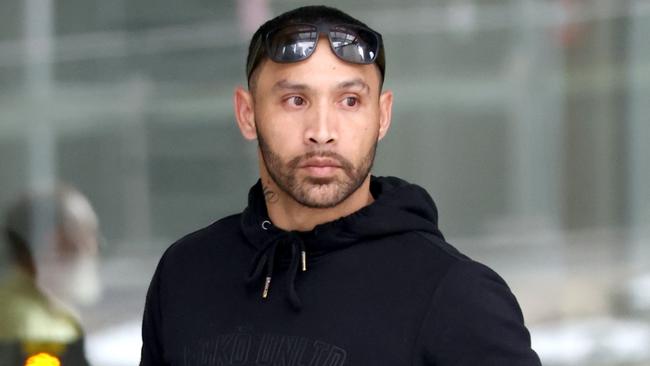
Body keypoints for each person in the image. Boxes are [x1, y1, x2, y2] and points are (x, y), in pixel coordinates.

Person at [140, 5, 542, 365]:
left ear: (382, 116)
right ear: (247, 114)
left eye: (349, 101)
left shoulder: (453, 295)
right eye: (295, 100)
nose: (322, 132)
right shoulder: (185, 274)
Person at [0, 185, 100, 366]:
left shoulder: (41, 309)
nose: (90, 247)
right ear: (49, 241)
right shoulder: (28, 326)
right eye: (80, 232)